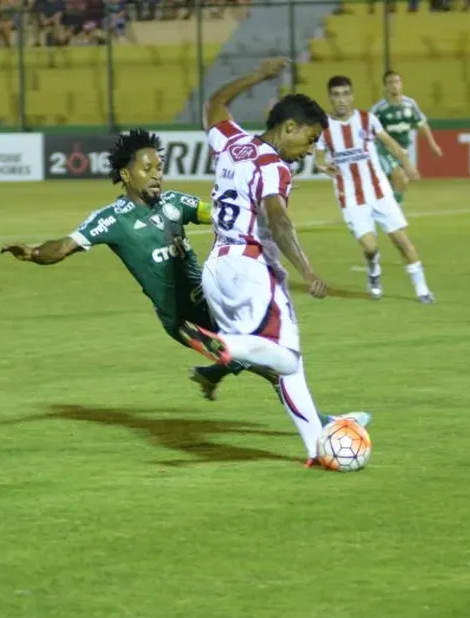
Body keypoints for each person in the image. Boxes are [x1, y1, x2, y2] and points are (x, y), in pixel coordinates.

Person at [0, 128, 369, 425]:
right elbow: (64, 246)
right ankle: (321, 425)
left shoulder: (176, 203)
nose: (157, 173)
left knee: (270, 355)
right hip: (183, 320)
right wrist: (34, 253)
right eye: (147, 168)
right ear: (126, 174)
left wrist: (260, 196)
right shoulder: (111, 219)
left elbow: (224, 211)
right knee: (272, 364)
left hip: (215, 300)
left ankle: (215, 374)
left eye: (159, 166)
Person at [179, 58, 370, 467]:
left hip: (217, 268)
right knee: (287, 359)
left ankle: (315, 449)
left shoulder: (233, 143)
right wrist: (307, 270)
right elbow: (277, 220)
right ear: (289, 128)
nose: (312, 149)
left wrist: (257, 76)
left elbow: (214, 102)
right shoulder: (273, 166)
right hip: (252, 269)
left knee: (280, 364)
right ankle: (224, 348)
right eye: (311, 139)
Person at [315, 74, 434, 303]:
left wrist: (408, 165)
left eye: (346, 94)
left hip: (379, 190)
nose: (342, 100)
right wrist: (322, 165)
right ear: (330, 98)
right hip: (350, 195)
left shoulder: (367, 119)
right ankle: (374, 271)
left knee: (401, 239)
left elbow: (391, 144)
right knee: (370, 247)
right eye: (337, 95)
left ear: (352, 96)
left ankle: (422, 289)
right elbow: (319, 155)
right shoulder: (324, 127)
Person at [369, 70, 443, 207]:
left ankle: (387, 208)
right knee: (399, 177)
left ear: (401, 84)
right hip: (383, 150)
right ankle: (395, 213)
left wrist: (433, 146)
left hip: (402, 150)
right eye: (390, 82)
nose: (394, 85)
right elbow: (366, 129)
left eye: (396, 81)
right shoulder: (379, 109)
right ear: (385, 87)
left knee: (399, 183)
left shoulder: (410, 104)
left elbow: (422, 125)